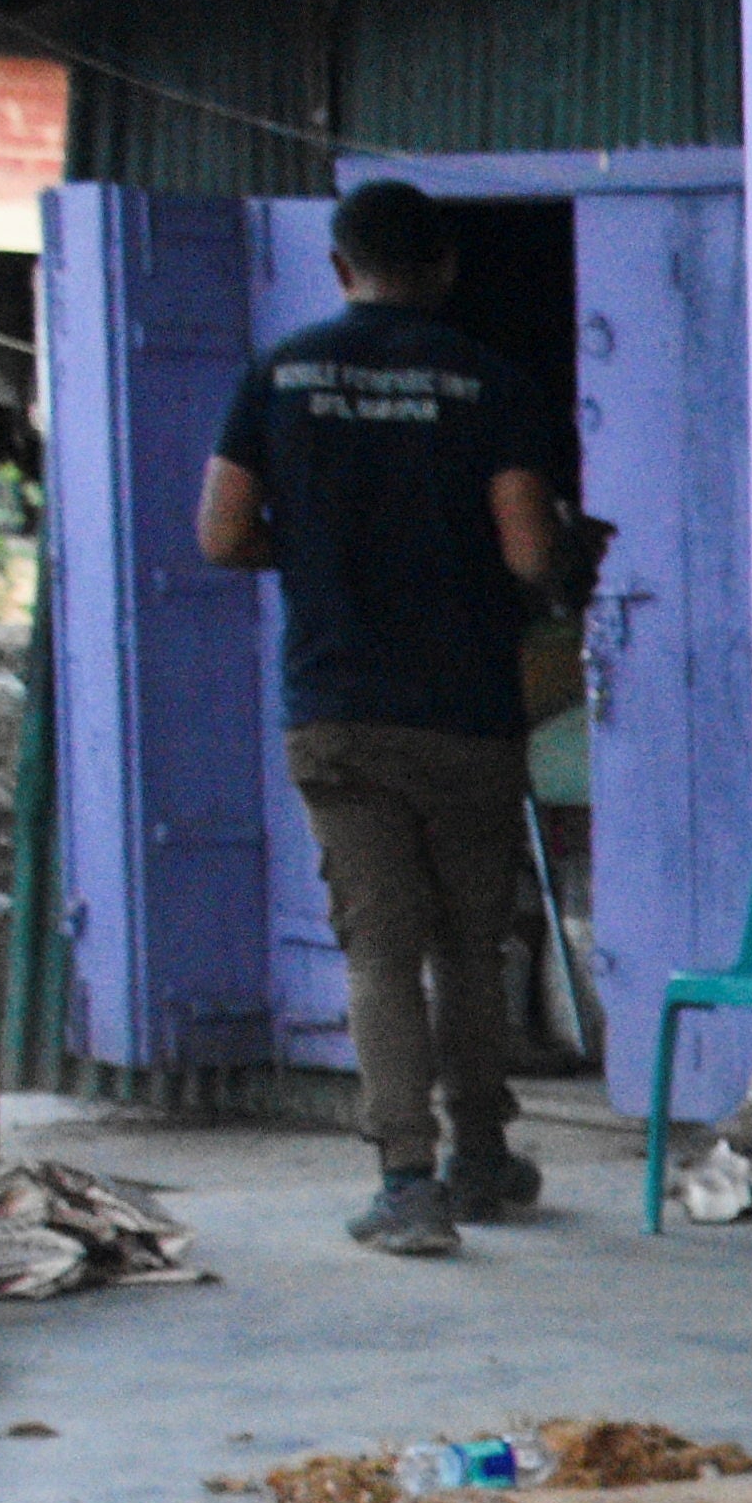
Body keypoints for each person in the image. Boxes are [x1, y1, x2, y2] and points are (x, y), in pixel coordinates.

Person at [195, 177, 585, 1259]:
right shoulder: (487, 381)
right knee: (468, 943)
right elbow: (524, 554)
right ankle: (480, 1158)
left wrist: (320, 554)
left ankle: (403, 1184)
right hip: (464, 708)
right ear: (445, 267)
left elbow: (222, 535)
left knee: (377, 949)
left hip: (339, 710)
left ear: (338, 265)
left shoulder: (278, 374)